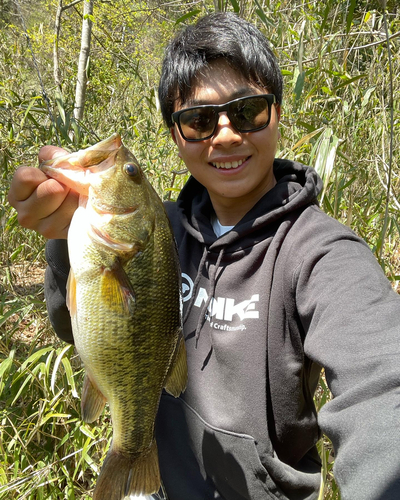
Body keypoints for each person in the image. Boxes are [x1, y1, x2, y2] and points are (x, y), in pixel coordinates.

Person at [8, 12, 400, 500]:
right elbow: (80, 327)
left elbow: (385, 385)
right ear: (176, 135)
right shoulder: (160, 230)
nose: (227, 135)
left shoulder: (322, 255)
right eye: (198, 120)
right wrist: (66, 238)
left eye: (248, 111)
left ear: (277, 112)